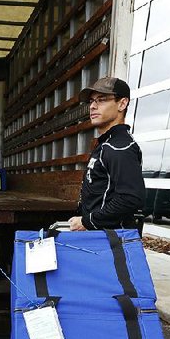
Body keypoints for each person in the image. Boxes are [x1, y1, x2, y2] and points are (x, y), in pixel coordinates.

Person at [68, 76, 144, 232]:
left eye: (101, 100)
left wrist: (88, 222)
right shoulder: (106, 144)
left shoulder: (120, 147)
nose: (92, 106)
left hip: (110, 244)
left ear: (122, 104)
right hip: (98, 239)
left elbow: (130, 198)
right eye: (92, 101)